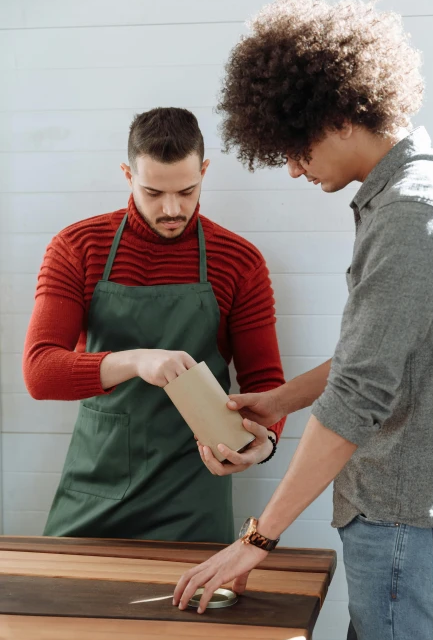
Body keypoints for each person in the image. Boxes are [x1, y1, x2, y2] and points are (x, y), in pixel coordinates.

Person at [173, 0, 433, 640]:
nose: (292, 168)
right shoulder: (430, 185)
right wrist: (278, 398)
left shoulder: (412, 214)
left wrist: (257, 537)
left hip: (409, 527)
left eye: (296, 148)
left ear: (342, 115)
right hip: (418, 522)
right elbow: (384, 354)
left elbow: (358, 397)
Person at [23, 107, 285, 542]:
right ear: (128, 174)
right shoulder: (78, 248)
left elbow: (265, 382)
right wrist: (136, 361)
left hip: (194, 488)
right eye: (153, 192)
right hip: (96, 485)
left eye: (187, 191)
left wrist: (266, 443)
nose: (171, 209)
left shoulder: (239, 260)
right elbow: (40, 372)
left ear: (204, 170)